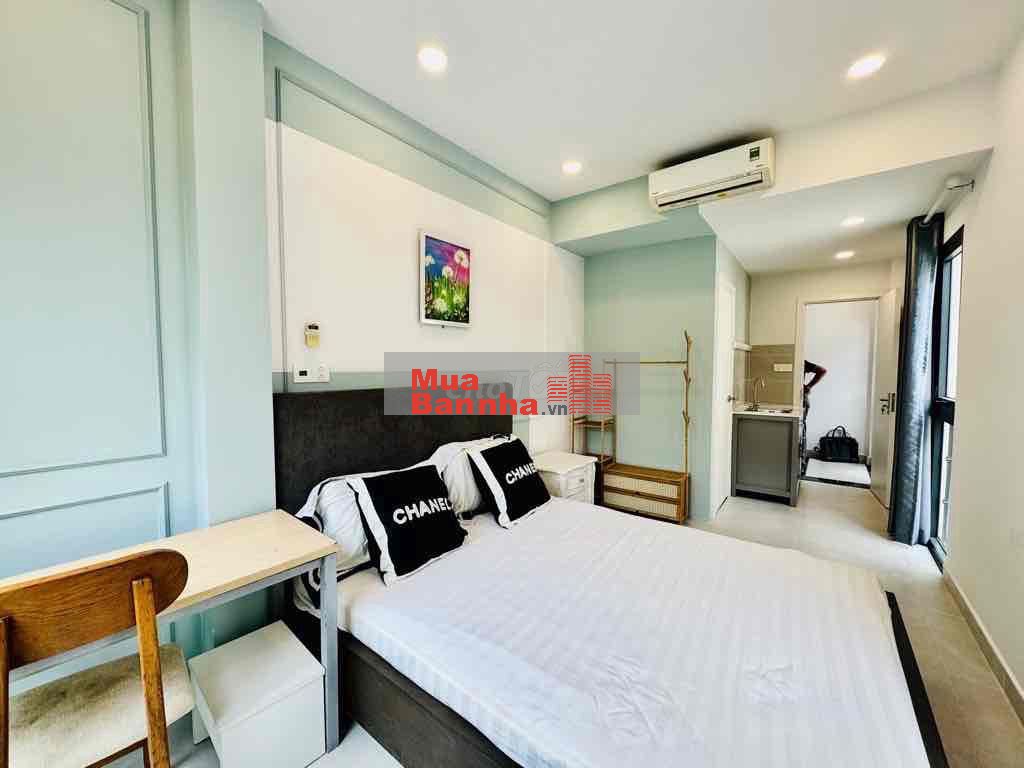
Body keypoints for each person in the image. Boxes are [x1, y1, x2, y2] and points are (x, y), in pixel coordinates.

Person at [801, 361, 827, 473]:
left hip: (801, 399)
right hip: (801, 399)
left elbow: (822, 370)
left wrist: (808, 386)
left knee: (801, 430)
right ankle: (801, 463)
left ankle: (801, 462)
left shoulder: (801, 361)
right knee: (801, 429)